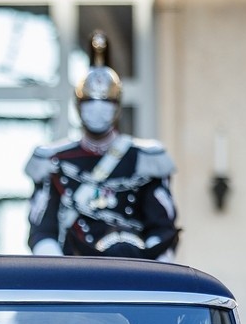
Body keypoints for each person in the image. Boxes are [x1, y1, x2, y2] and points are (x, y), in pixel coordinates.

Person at [26, 32, 179, 260]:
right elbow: (42, 231)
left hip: (135, 269)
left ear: (117, 106)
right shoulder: (54, 160)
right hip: (75, 274)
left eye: (106, 102)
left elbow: (161, 227)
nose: (97, 109)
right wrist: (59, 272)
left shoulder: (145, 159)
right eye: (89, 102)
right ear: (78, 106)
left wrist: (154, 272)